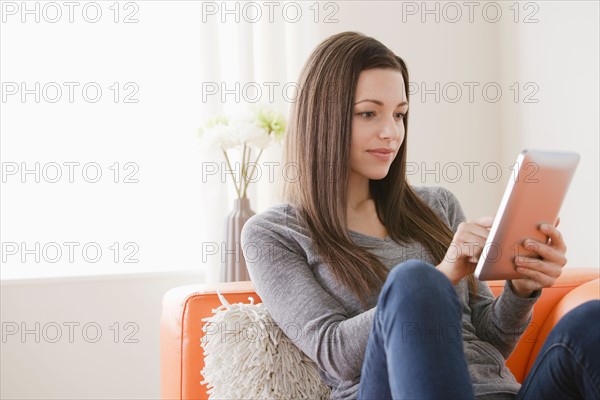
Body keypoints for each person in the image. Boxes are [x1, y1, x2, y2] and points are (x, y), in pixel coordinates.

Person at [240, 31, 600, 400]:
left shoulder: (437, 205)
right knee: (414, 282)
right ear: (323, 119)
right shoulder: (274, 234)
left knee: (592, 322)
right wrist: (442, 275)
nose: (391, 132)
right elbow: (334, 356)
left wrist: (521, 289)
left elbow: (488, 341)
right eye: (369, 113)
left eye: (399, 115)